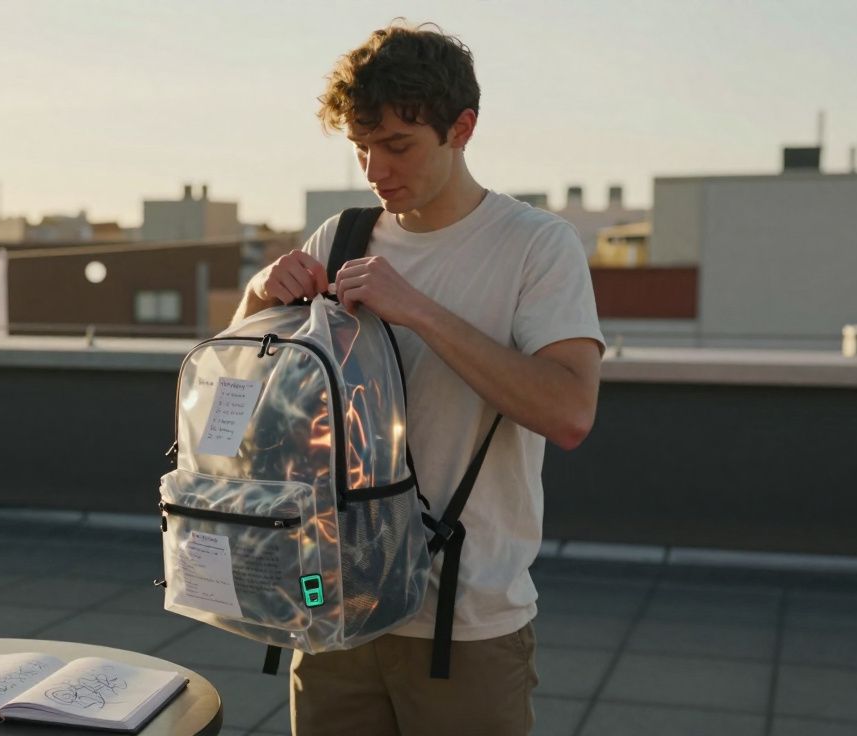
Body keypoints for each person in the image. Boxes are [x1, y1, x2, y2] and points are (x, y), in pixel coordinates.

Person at [231, 21, 605, 736]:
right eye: (360, 147)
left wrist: (419, 310)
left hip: (463, 625)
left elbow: (570, 411)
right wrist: (256, 301)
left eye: (398, 146)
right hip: (332, 603)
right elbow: (250, 406)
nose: (375, 169)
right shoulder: (340, 237)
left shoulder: (535, 245)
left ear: (461, 128)